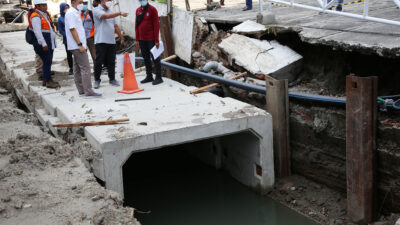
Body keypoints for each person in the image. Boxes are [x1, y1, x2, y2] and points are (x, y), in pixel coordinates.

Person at [65, 0, 101, 97]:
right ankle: (88, 91)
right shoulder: (71, 13)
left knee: (77, 68)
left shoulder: (75, 12)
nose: (81, 4)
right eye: (79, 2)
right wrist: (80, 44)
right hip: (77, 46)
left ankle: (81, 90)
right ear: (73, 2)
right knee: (86, 68)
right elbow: (72, 29)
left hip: (77, 45)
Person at [92, 0, 128, 89]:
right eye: (107, 0)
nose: (109, 2)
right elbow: (105, 16)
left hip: (111, 41)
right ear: (102, 1)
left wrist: (121, 37)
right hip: (101, 40)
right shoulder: (96, 10)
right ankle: (97, 80)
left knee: (111, 61)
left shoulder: (111, 12)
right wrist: (119, 13)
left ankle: (112, 79)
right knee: (99, 61)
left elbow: (115, 26)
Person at [29, 0, 59, 88]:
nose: (46, 7)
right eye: (43, 5)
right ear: (37, 6)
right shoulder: (35, 16)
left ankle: (46, 79)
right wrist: (43, 44)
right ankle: (48, 81)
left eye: (45, 5)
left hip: (48, 41)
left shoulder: (44, 15)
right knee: (47, 61)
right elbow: (37, 32)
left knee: (48, 61)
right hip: (44, 43)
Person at [135, 0, 163, 85]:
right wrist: (137, 39)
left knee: (155, 57)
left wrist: (156, 40)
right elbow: (136, 25)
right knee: (145, 57)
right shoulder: (138, 10)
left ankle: (159, 77)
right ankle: (149, 76)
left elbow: (156, 25)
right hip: (142, 39)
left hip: (151, 39)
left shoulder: (152, 9)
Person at [58, 3, 73, 75]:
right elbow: (60, 30)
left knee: (77, 54)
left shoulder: (71, 16)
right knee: (69, 54)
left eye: (68, 8)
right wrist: (67, 35)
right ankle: (71, 68)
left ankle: (77, 67)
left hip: (75, 38)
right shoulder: (60, 19)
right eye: (65, 8)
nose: (67, 9)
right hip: (67, 39)